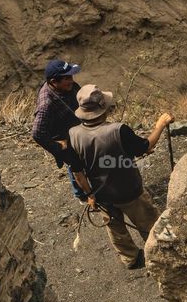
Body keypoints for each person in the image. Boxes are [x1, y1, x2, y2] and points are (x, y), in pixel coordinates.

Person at [68, 84, 174, 269]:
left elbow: (77, 172)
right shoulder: (119, 130)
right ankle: (162, 254)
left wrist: (89, 194)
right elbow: (146, 146)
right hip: (129, 191)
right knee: (149, 222)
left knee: (115, 229)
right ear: (103, 109)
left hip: (101, 195)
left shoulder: (73, 134)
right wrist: (160, 125)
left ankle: (130, 259)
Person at [31, 59, 86, 200]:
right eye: (67, 78)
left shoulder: (67, 86)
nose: (71, 80)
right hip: (63, 136)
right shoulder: (46, 104)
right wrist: (57, 147)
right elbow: (37, 133)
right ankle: (81, 194)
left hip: (75, 127)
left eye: (71, 76)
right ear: (54, 81)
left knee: (82, 159)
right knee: (74, 163)